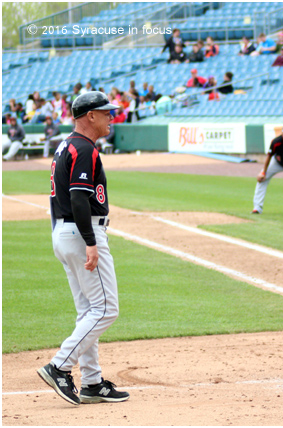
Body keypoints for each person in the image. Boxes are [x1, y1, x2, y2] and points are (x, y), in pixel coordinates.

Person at [37, 91, 129, 406]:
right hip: (81, 232)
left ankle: (91, 382)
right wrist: (90, 242)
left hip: (66, 233)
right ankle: (60, 366)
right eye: (105, 113)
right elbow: (78, 198)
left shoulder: (68, 145)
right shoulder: (83, 148)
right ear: (89, 116)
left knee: (88, 311)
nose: (110, 117)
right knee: (106, 309)